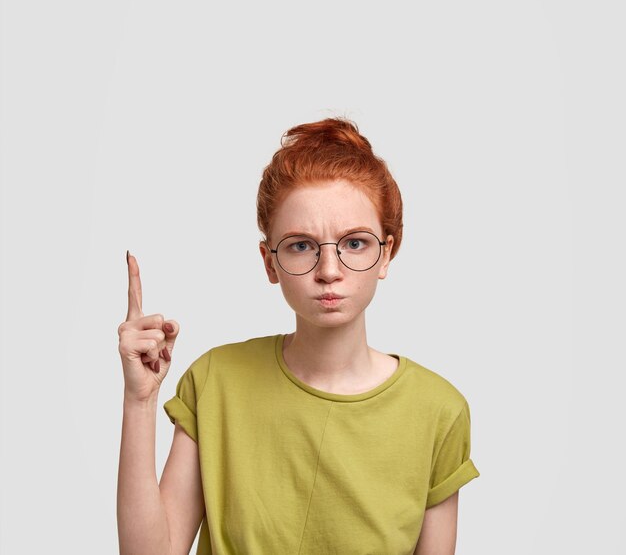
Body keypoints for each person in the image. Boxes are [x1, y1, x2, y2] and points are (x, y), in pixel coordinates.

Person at [117, 117, 480, 555]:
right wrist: (139, 401)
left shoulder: (439, 411)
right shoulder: (216, 381)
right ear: (269, 263)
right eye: (301, 245)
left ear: (388, 252)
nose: (329, 271)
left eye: (355, 243)